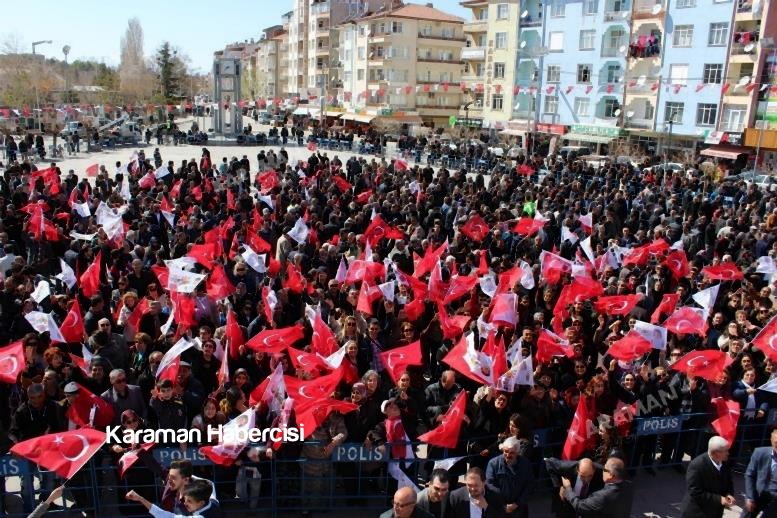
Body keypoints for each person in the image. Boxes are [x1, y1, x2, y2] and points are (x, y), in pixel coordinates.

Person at [680, 436, 735, 518]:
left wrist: (729, 494)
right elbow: (694, 491)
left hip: (715, 512)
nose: (728, 453)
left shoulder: (725, 463)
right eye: (726, 451)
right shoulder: (697, 465)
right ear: (716, 453)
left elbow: (729, 482)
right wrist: (719, 499)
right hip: (697, 513)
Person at [559, 457, 633, 518]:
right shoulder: (629, 486)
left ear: (610, 475)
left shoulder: (604, 496)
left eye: (604, 469)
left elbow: (580, 506)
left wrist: (568, 488)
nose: (602, 471)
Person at [485, 437, 533, 518]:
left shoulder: (525, 464)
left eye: (512, 453)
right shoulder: (493, 464)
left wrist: (517, 503)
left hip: (519, 508)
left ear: (517, 452)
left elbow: (530, 485)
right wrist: (503, 504)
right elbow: (490, 485)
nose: (508, 455)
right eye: (506, 451)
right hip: (499, 508)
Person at [127, 479, 221, 518]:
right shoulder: (213, 501)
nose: (185, 503)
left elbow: (164, 515)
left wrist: (140, 498)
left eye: (189, 501)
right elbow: (210, 483)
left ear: (201, 503)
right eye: (185, 499)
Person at [743, 428, 777, 517]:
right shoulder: (760, 452)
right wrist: (750, 497)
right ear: (771, 440)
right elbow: (749, 475)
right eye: (776, 443)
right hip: (757, 493)